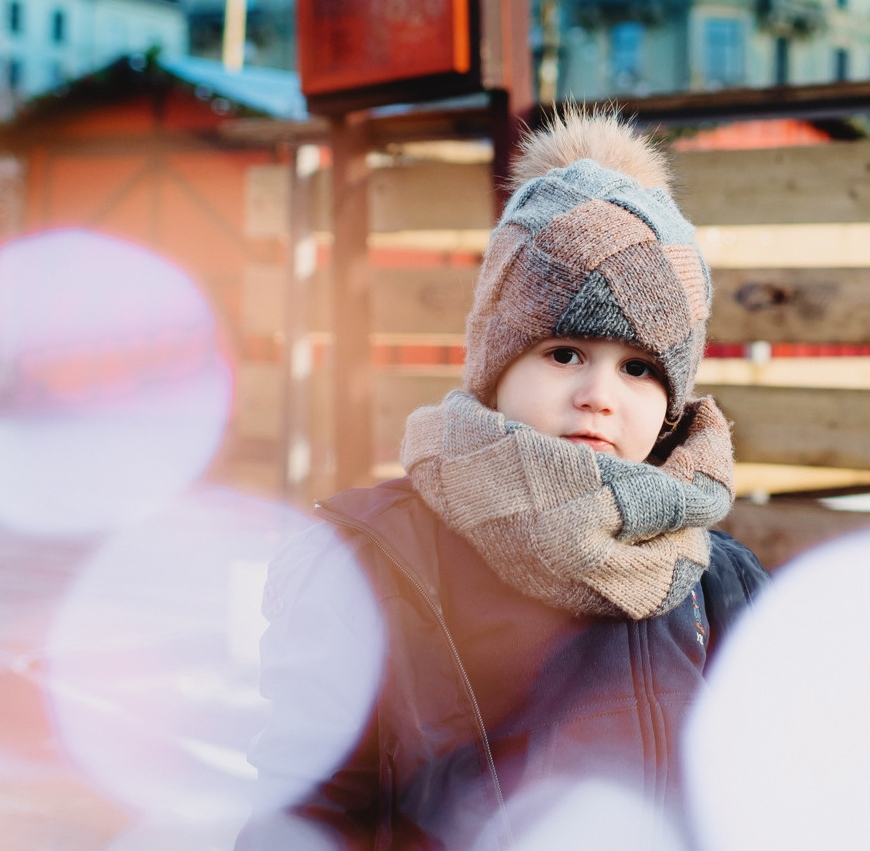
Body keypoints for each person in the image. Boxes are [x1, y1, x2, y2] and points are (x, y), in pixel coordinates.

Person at [241, 112, 765, 848]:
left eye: (640, 367)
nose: (600, 395)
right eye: (564, 352)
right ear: (496, 362)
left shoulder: (718, 582)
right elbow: (307, 814)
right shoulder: (377, 563)